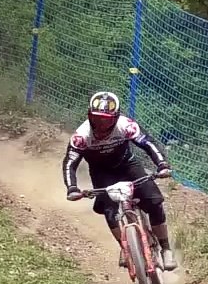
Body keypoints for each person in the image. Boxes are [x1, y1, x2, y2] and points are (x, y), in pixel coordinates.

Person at [62, 91, 178, 271]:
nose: (101, 124)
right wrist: (72, 187)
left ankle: (166, 248)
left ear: (116, 118)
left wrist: (162, 164)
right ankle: (125, 247)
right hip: (102, 173)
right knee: (110, 210)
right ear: (89, 116)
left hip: (128, 165)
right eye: (97, 118)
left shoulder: (126, 125)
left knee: (154, 201)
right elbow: (70, 163)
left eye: (106, 120)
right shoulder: (81, 136)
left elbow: (148, 143)